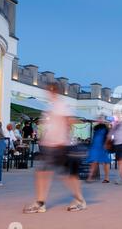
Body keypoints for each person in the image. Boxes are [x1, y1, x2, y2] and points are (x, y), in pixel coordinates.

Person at [23, 84, 86, 214]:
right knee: (43, 172)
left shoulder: (61, 105)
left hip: (60, 145)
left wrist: (64, 138)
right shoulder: (51, 106)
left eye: (52, 90)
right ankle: (40, 203)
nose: (49, 92)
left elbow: (70, 121)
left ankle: (80, 200)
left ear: (56, 92)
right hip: (50, 145)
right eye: (49, 90)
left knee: (66, 175)